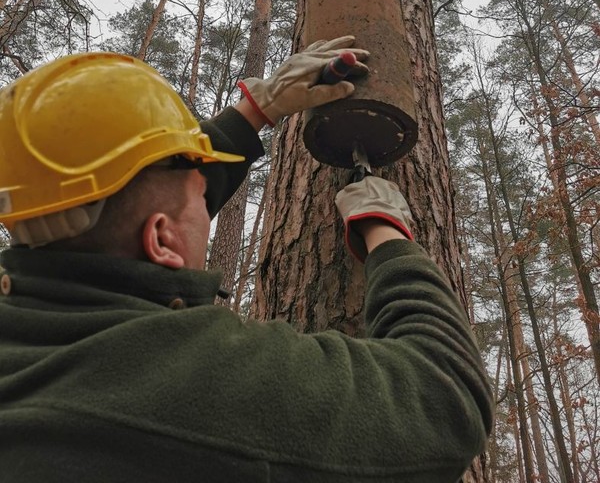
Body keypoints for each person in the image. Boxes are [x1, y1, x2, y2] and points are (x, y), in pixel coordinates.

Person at [0, 38, 493, 483]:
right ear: (161, 239)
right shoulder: (192, 381)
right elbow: (444, 401)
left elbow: (133, 204)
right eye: (200, 195)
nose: (207, 199)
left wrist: (259, 108)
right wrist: (387, 232)